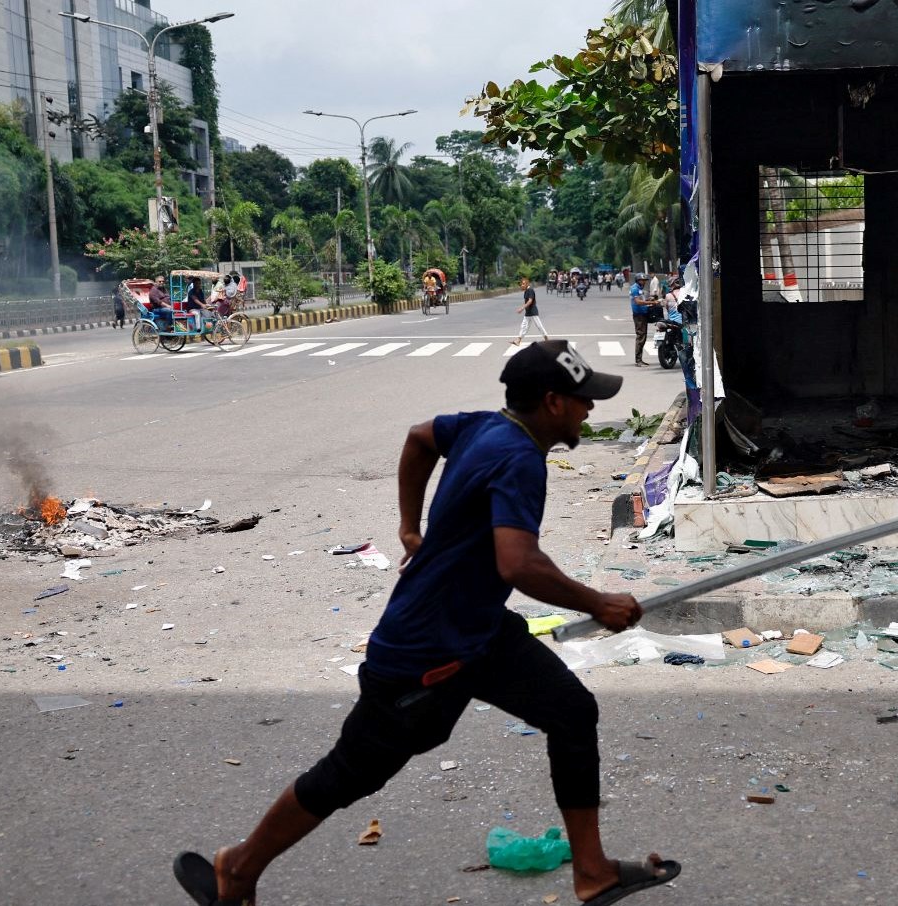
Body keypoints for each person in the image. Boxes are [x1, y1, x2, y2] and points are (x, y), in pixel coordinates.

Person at [172, 340, 678, 906]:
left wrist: (409, 527)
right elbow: (518, 561)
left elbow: (418, 437)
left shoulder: (483, 426)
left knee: (572, 712)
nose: (590, 410)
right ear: (554, 402)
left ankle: (593, 871)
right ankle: (236, 870)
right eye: (583, 400)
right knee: (350, 772)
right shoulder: (519, 457)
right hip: (427, 650)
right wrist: (597, 602)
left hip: (479, 633)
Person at [511, 276, 550, 346]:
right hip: (528, 312)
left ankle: (547, 339)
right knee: (523, 326)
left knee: (539, 326)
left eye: (523, 284)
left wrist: (522, 308)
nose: (521, 285)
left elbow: (530, 301)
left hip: (533, 312)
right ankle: (518, 340)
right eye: (521, 284)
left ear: (527, 284)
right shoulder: (526, 291)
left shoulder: (530, 290)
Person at [629, 275, 650, 367]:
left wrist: (650, 300)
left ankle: (640, 359)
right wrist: (651, 303)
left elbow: (642, 300)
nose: (644, 282)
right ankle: (638, 360)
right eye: (642, 280)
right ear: (638, 280)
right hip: (639, 316)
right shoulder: (635, 288)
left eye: (645, 280)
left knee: (643, 336)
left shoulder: (640, 289)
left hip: (643, 314)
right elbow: (638, 301)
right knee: (641, 336)